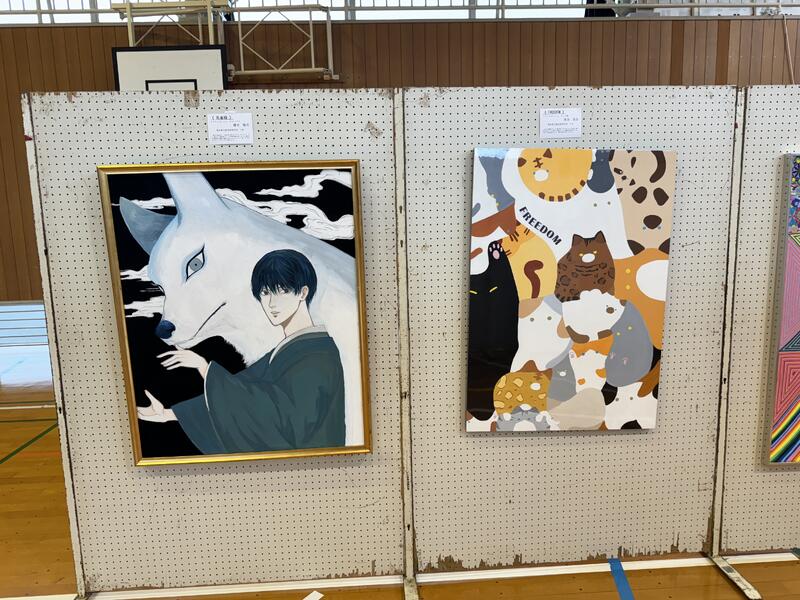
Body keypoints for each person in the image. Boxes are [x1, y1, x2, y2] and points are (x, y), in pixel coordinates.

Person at [137, 249, 346, 453]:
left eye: (281, 291)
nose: (271, 303)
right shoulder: (290, 349)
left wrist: (204, 368)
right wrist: (168, 414)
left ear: (303, 292)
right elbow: (240, 391)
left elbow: (276, 414)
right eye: (265, 293)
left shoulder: (319, 356)